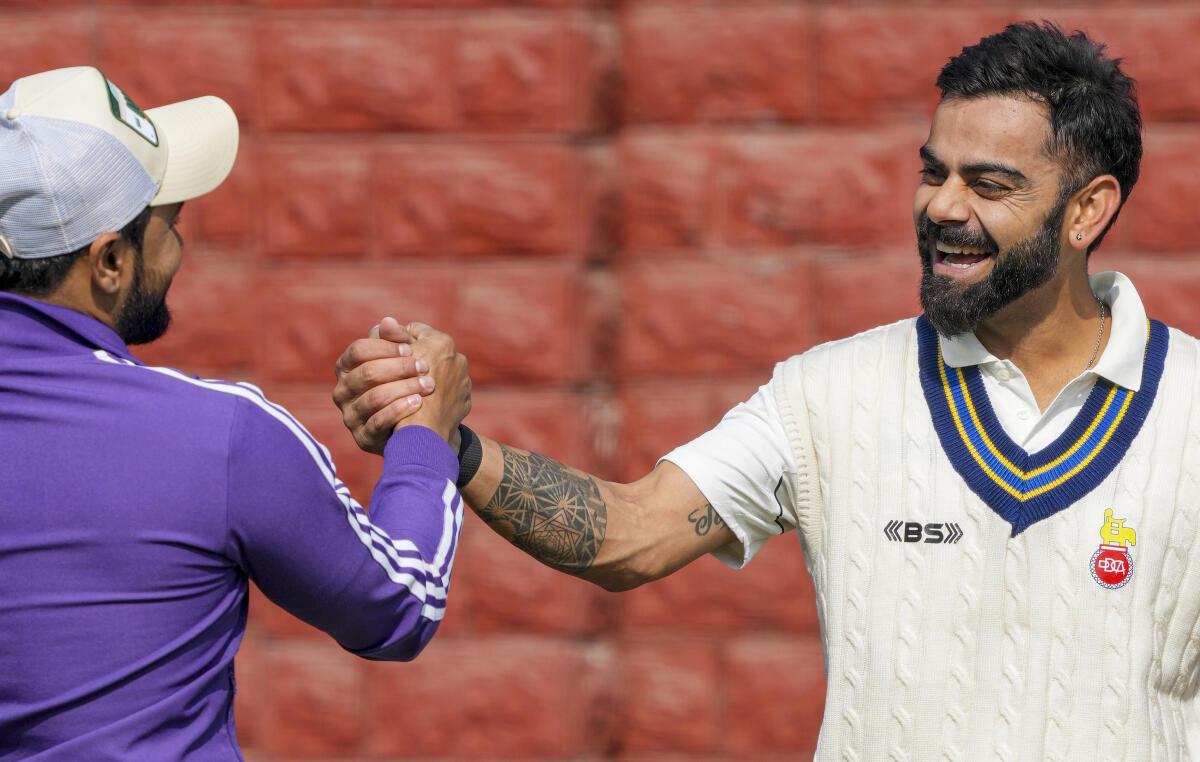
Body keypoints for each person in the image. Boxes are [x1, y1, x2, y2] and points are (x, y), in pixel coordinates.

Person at [335, 22, 1200, 760]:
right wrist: (456, 447)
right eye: (933, 171)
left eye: (990, 183)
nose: (941, 206)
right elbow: (628, 537)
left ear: (1088, 210)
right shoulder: (831, 394)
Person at [0, 67, 471, 759]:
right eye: (170, 222)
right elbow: (399, 606)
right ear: (108, 261)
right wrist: (427, 436)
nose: (180, 246)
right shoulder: (217, 436)